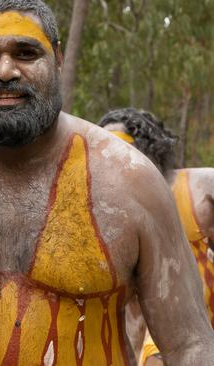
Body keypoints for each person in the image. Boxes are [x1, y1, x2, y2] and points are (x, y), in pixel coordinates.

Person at [0, 1, 214, 365]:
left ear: (57, 58)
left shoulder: (130, 182)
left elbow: (191, 346)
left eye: (26, 53)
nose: (5, 71)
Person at [100, 107, 214, 365]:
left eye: (120, 145)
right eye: (102, 147)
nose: (109, 156)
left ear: (147, 145)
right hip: (158, 334)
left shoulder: (199, 187)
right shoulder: (114, 216)